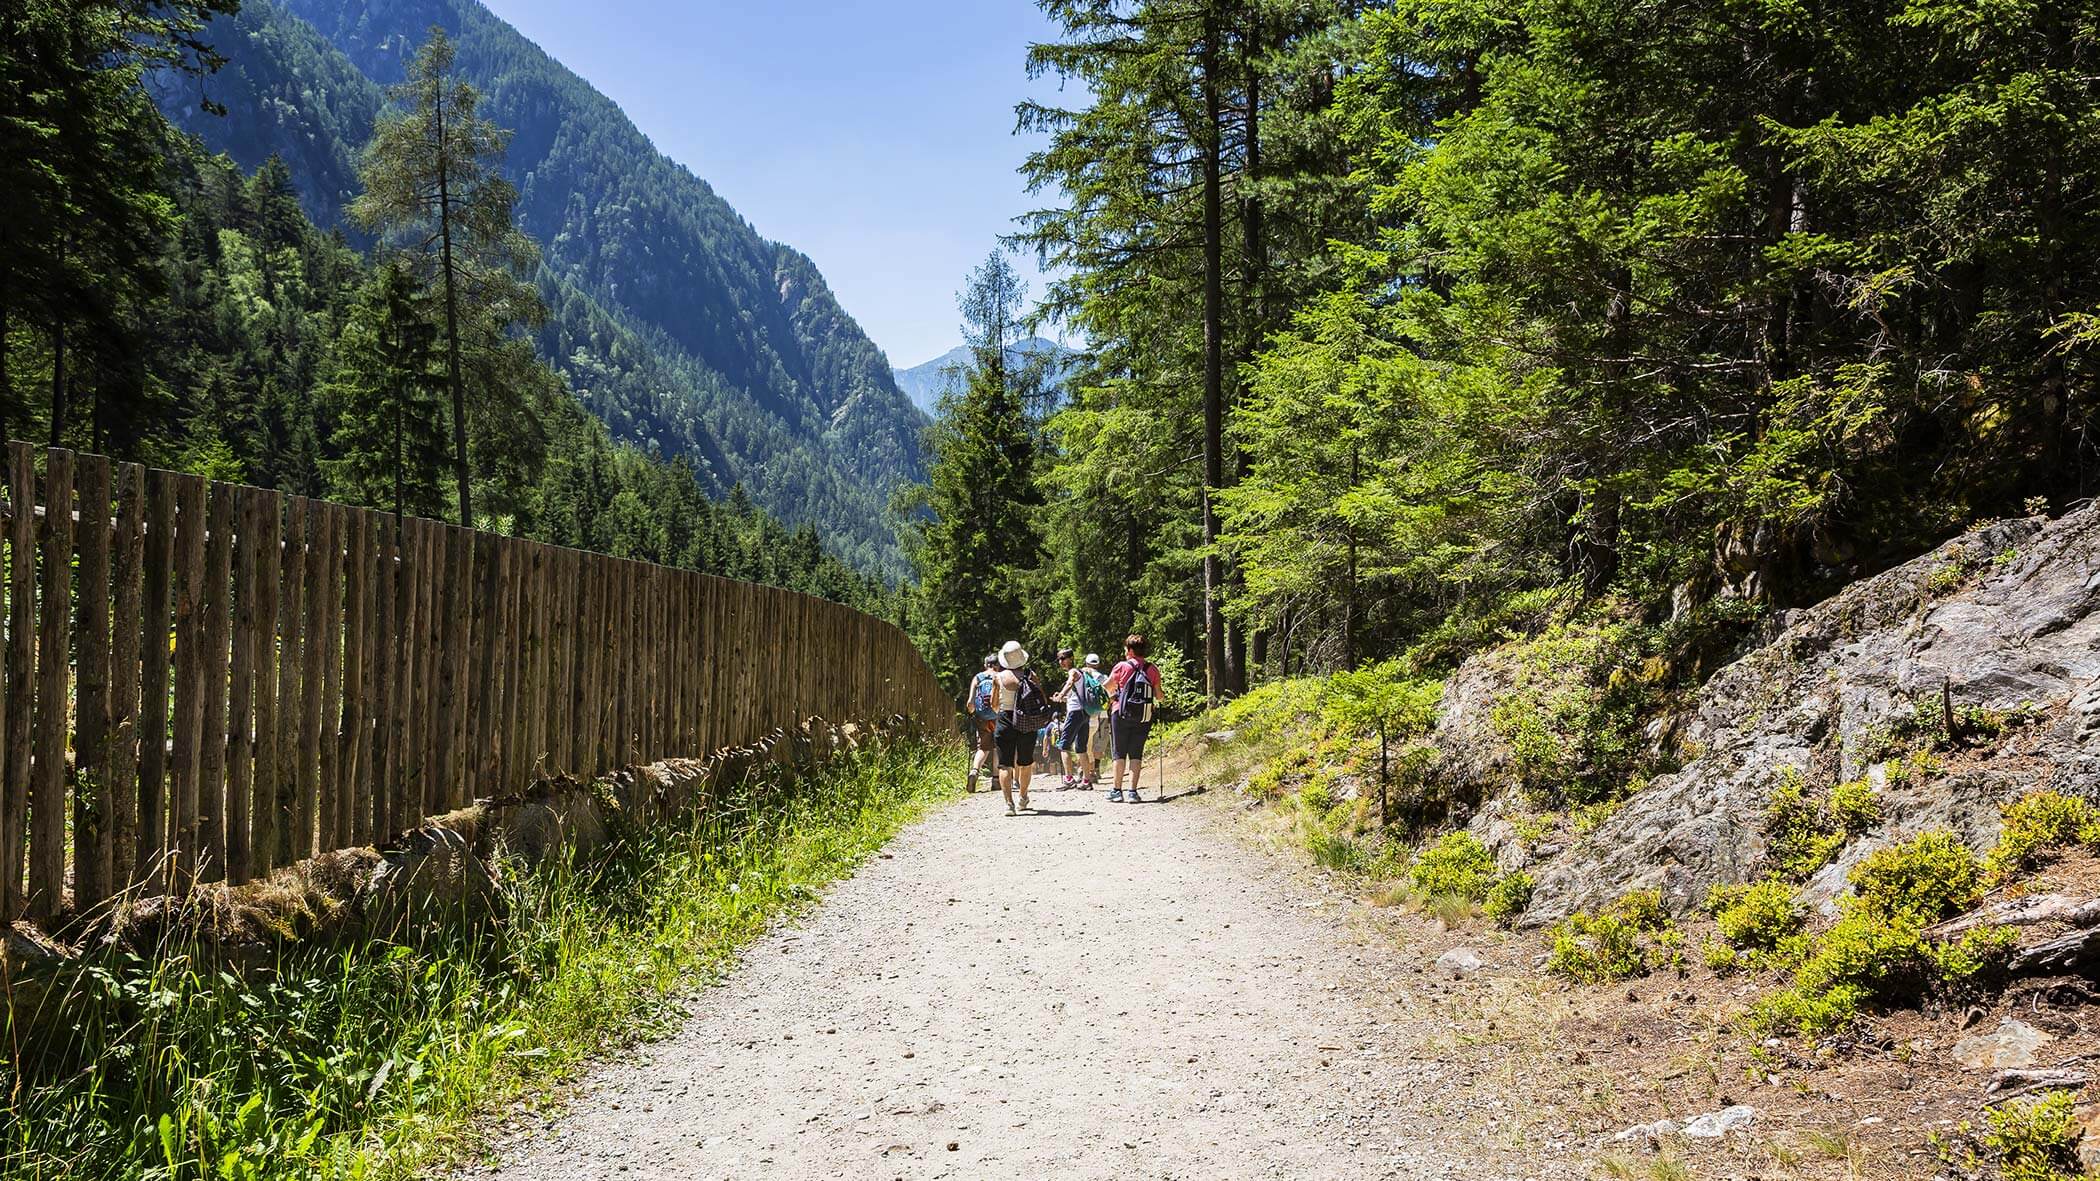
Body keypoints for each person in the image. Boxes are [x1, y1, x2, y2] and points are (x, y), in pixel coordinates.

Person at [992, 640, 1047, 815]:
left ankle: (1009, 804)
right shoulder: (1031, 675)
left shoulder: (998, 677)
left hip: (1005, 719)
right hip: (1027, 721)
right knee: (1025, 762)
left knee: (1005, 764)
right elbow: (1042, 699)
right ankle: (1023, 797)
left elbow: (994, 705)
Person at [1105, 633, 1162, 803]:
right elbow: (1159, 696)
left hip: (1120, 713)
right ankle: (1132, 792)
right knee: (1136, 753)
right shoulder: (1152, 669)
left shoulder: (1122, 666)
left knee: (1119, 753)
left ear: (1130, 650)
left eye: (1125, 648)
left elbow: (1107, 686)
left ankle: (1116, 791)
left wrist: (1113, 695)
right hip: (1144, 716)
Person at [1050, 648, 1091, 789]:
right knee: (1081, 748)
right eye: (1059, 659)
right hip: (1084, 712)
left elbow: (1069, 683)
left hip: (1075, 713)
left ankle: (1068, 778)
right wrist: (1064, 698)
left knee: (1063, 745)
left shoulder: (1073, 672)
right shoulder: (1082, 673)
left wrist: (1061, 695)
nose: (1061, 661)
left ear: (1071, 658)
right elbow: (1076, 694)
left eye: (1063, 658)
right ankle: (1086, 780)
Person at [964, 654, 999, 792]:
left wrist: (973, 714)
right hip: (997, 717)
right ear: (998, 665)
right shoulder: (999, 676)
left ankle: (974, 772)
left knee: (983, 748)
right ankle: (996, 780)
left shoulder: (977, 677)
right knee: (997, 747)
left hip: (982, 718)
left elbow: (970, 703)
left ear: (986, 665)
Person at [1084, 653, 1111, 783]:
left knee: (1088, 742)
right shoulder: (1105, 678)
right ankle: (1096, 769)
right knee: (1101, 741)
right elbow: (1110, 694)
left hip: (1089, 714)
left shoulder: (1084, 677)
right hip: (1103, 714)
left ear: (1087, 664)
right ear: (1098, 664)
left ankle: (1087, 770)